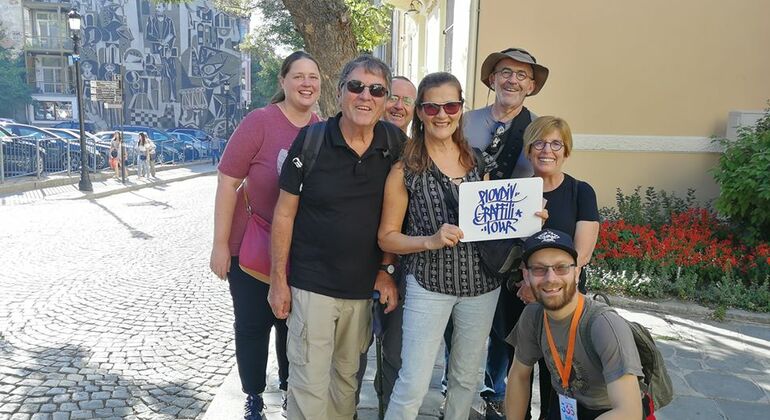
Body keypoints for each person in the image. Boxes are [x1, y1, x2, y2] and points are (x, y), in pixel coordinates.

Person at [268, 55, 403, 420]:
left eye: (376, 90)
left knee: (345, 387)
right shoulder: (311, 140)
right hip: (312, 286)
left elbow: (400, 215)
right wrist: (278, 280)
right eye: (356, 86)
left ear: (386, 100)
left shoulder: (394, 143)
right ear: (341, 91)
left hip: (362, 290)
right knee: (309, 387)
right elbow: (284, 214)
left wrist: (386, 270)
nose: (365, 96)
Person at [378, 72, 501, 420]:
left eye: (450, 106)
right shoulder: (405, 169)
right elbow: (386, 236)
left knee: (465, 380)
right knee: (412, 384)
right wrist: (429, 241)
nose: (442, 115)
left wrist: (528, 215)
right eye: (432, 107)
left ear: (461, 108)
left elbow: (494, 220)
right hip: (429, 284)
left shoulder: (479, 162)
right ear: (420, 111)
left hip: (481, 286)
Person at [209, 51, 321, 420]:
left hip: (298, 251)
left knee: (293, 325)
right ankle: (254, 395)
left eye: (313, 77)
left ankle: (290, 389)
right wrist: (220, 245)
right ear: (283, 81)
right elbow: (227, 183)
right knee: (253, 324)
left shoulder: (322, 129)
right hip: (250, 246)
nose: (306, 83)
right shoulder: (260, 122)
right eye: (298, 76)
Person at [444, 47, 550, 419]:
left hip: (509, 244)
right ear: (492, 79)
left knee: (505, 324)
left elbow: (547, 177)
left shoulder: (538, 129)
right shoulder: (463, 121)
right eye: (506, 72)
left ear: (531, 85)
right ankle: (451, 390)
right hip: (461, 237)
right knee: (455, 321)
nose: (512, 80)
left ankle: (496, 393)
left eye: (522, 75)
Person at [505, 228, 643, 420]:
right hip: (564, 402)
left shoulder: (605, 325)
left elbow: (629, 413)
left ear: (577, 273)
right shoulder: (533, 316)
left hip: (607, 412)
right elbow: (519, 376)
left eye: (561, 267)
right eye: (539, 269)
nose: (550, 278)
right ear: (526, 276)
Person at [355, 75, 418, 409]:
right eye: (393, 96)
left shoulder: (418, 154)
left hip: (402, 268)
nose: (398, 105)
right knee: (352, 353)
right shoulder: (357, 143)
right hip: (354, 265)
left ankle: (387, 409)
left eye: (407, 100)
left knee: (396, 352)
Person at [517, 116, 599, 302]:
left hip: (564, 293)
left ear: (566, 152)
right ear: (529, 151)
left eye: (556, 144)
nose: (547, 150)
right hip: (519, 292)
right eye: (539, 143)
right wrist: (527, 283)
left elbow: (581, 255)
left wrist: (539, 285)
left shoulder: (581, 192)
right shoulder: (516, 193)